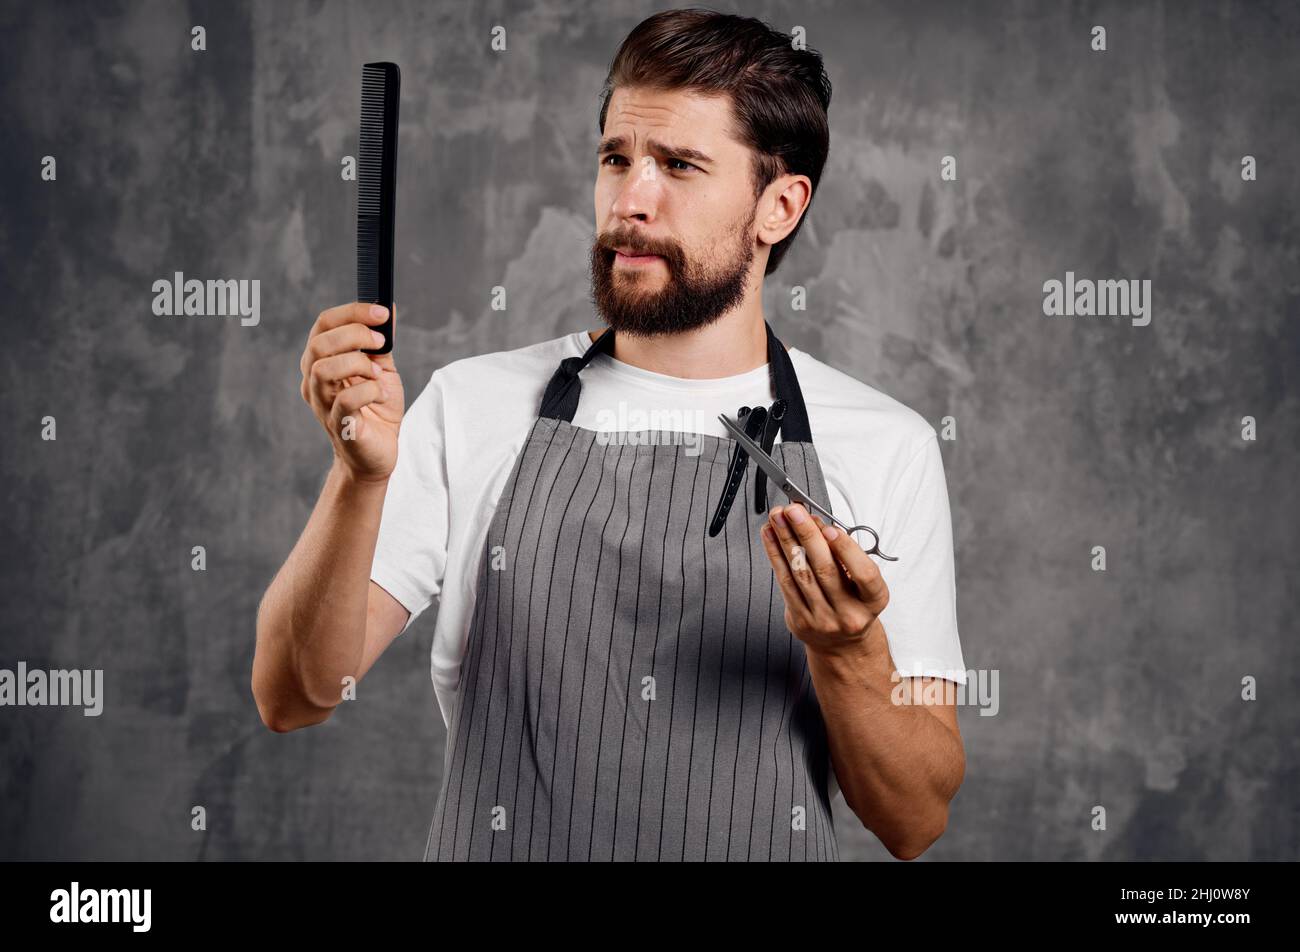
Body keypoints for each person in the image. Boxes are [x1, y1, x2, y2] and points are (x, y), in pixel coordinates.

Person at [254, 8, 966, 862]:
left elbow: (915, 818)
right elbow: (296, 696)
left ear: (779, 205)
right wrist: (357, 480)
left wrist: (847, 652)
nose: (630, 200)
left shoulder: (885, 445)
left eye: (679, 166)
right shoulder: (470, 405)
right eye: (615, 159)